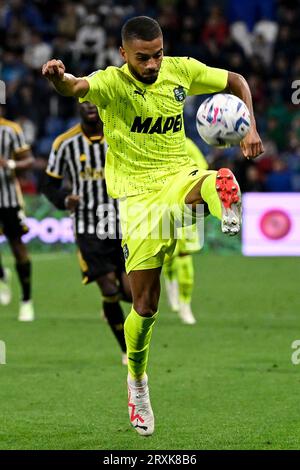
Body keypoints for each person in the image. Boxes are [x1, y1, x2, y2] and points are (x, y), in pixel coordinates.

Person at [42, 16, 264, 436]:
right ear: (123, 54)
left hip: (177, 178)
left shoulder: (179, 70)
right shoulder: (111, 83)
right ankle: (138, 383)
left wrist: (251, 124)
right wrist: (58, 77)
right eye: (143, 58)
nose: (153, 64)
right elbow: (74, 87)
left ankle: (225, 203)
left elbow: (235, 79)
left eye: (158, 54)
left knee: (215, 180)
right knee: (144, 307)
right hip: (138, 202)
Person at [43, 101, 132, 366]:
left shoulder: (121, 135)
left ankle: (112, 308)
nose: (91, 106)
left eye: (96, 101)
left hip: (121, 222)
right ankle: (126, 351)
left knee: (130, 294)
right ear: (78, 107)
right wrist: (63, 199)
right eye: (85, 102)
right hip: (87, 225)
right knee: (108, 287)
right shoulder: (65, 143)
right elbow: (49, 183)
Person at [163, 137, 208, 324]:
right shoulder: (156, 143)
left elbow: (203, 171)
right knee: (168, 257)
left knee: (185, 258)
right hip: (163, 208)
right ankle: (171, 284)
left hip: (185, 209)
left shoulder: (187, 145)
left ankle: (185, 305)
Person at [0, 110, 35, 321]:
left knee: (17, 248)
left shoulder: (11, 130)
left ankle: (26, 300)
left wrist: (10, 164)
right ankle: (2, 275)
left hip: (8, 199)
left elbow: (29, 161)